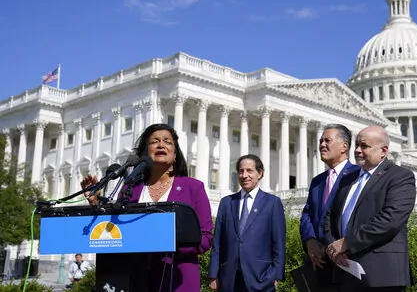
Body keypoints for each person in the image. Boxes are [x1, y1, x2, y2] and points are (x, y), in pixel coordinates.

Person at [81, 123, 214, 292]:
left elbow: (206, 237)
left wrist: (171, 241)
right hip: (136, 277)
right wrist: (96, 202)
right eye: (154, 141)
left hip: (178, 279)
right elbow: (116, 229)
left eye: (168, 142)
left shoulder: (193, 188)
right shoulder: (130, 188)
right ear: (145, 153)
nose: (161, 145)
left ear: (175, 155)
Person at [323, 125, 416, 291]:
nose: (357, 150)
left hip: (382, 275)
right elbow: (330, 217)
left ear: (383, 150)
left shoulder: (400, 177)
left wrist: (347, 243)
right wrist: (334, 248)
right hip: (345, 271)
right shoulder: (347, 179)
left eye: (364, 146)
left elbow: (390, 220)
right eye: (357, 145)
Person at [207, 154, 286, 292]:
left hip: (261, 278)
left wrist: (276, 275)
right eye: (241, 171)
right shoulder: (226, 203)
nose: (244, 175)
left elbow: (278, 242)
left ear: (260, 173)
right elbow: (218, 242)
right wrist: (213, 274)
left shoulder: (272, 203)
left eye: (250, 171)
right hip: (229, 279)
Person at [299, 124, 359, 291]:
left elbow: (360, 216)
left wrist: (344, 244)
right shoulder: (317, 181)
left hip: (345, 261)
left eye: (327, 140)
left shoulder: (357, 175)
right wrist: (310, 241)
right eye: (320, 141)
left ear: (344, 146)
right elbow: (307, 214)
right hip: (318, 263)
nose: (322, 145)